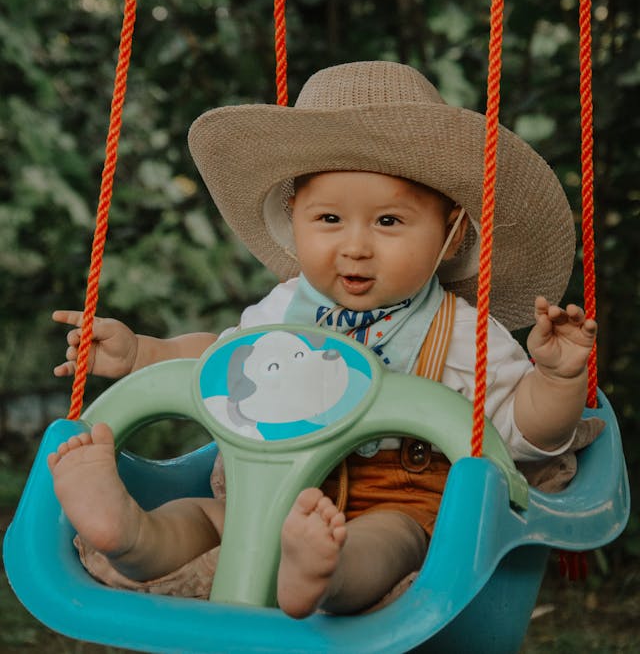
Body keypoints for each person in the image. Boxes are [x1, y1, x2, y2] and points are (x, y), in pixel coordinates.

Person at [49, 60, 598, 618]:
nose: (355, 246)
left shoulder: (462, 332)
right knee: (202, 518)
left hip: (395, 499)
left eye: (389, 222)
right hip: (265, 494)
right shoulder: (285, 307)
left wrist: (557, 377)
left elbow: (525, 435)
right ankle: (131, 536)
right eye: (329, 218)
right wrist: (146, 353)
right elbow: (223, 356)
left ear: (453, 233)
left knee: (387, 543)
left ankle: (323, 572)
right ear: (294, 220)